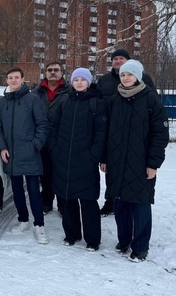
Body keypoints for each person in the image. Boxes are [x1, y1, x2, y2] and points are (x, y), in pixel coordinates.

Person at [100, 60, 169, 262]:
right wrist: (104, 158)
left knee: (140, 205)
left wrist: (153, 164)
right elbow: (106, 133)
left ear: (138, 76)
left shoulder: (150, 100)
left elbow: (160, 134)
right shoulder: (114, 100)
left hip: (141, 164)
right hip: (117, 162)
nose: (126, 78)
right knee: (120, 204)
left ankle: (140, 247)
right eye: (123, 75)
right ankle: (124, 241)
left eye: (130, 74)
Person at [49, 68, 107, 252]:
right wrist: (55, 149)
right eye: (76, 79)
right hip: (63, 159)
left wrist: (93, 155)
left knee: (88, 201)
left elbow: (101, 133)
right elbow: (53, 126)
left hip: (85, 160)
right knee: (67, 199)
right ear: (72, 82)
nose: (79, 82)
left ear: (89, 82)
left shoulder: (96, 103)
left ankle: (93, 239)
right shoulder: (64, 101)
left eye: (83, 79)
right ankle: (71, 234)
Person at [97, 48, 156, 216]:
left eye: (121, 58)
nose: (118, 61)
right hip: (113, 131)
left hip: (137, 135)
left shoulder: (145, 81)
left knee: (135, 175)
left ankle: (132, 205)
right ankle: (111, 201)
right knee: (112, 174)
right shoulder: (106, 80)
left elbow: (152, 108)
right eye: (115, 59)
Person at [0, 67, 50, 244]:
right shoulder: (3, 102)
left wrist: (35, 146)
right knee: (17, 191)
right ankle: (23, 220)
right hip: (11, 154)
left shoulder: (32, 99)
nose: (13, 80)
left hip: (29, 153)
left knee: (34, 191)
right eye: (10, 78)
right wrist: (2, 147)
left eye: (16, 77)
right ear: (7, 80)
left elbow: (42, 125)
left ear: (23, 79)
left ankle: (39, 226)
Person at [34, 61, 70, 214]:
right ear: (45, 73)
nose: (53, 72)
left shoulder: (69, 91)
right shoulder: (37, 92)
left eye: (56, 70)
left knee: (61, 174)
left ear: (62, 73)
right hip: (43, 141)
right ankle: (47, 202)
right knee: (45, 174)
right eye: (50, 70)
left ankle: (63, 205)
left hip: (62, 141)